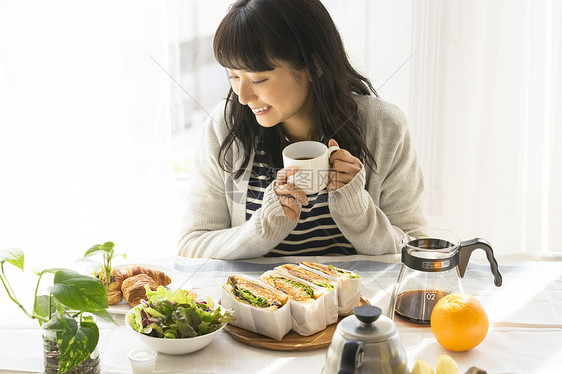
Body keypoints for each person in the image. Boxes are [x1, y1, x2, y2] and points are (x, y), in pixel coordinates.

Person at [177, 0, 426, 260]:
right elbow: (191, 246)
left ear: (313, 66)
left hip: (357, 300)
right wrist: (263, 227)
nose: (243, 96)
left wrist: (358, 211)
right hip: (257, 300)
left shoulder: (385, 127)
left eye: (258, 79)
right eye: (233, 76)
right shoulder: (225, 129)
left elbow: (416, 249)